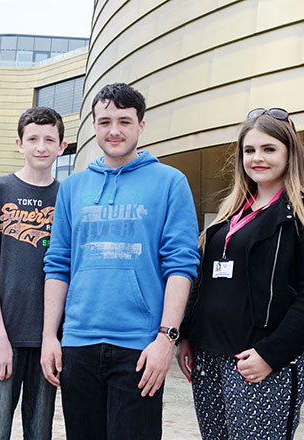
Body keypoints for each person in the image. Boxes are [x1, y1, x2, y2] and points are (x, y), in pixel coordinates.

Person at [175, 108, 304, 439]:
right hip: (210, 356)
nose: (258, 158)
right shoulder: (229, 215)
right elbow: (203, 281)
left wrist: (271, 354)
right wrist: (187, 335)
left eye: (269, 149)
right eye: (249, 150)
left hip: (261, 362)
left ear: (289, 153)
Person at [41, 83, 200, 440]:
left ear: (141, 126)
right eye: (105, 121)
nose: (114, 130)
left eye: (125, 121)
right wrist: (50, 336)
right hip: (78, 344)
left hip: (139, 347)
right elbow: (58, 263)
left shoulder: (170, 182)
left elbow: (181, 265)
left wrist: (166, 339)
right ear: (94, 126)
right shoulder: (72, 187)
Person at [0, 107, 67, 440]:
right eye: (33, 139)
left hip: (49, 339)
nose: (41, 146)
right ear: (19, 143)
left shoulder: (67, 195)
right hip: (2, 334)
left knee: (39, 432)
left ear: (62, 146)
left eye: (49, 139)